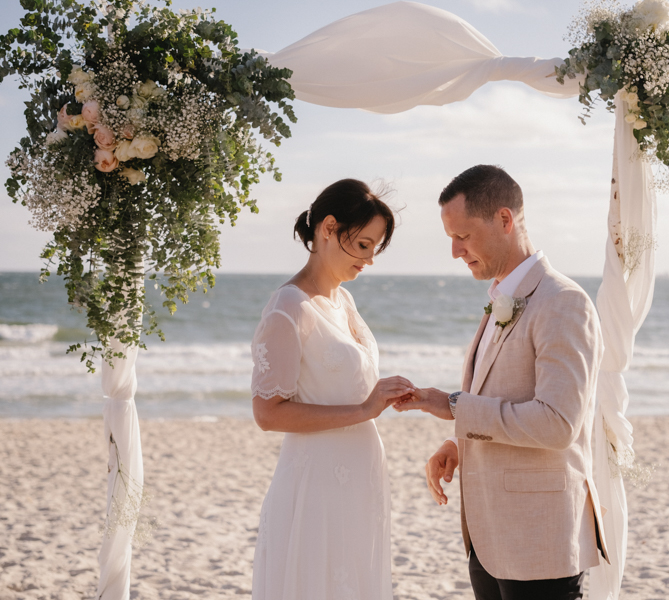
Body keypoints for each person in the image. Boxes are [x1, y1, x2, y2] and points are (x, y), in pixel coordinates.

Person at [395, 165, 609, 600]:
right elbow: (505, 400)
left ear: (505, 221)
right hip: (488, 539)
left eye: (464, 236)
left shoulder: (563, 302)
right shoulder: (501, 300)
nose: (455, 251)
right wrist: (459, 445)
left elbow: (557, 424)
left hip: (539, 540)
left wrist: (454, 407)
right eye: (450, 238)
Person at [249, 179, 414, 600]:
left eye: (374, 248)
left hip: (360, 481)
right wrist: (364, 409)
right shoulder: (288, 309)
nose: (369, 259)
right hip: (316, 489)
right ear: (327, 229)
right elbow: (268, 414)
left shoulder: (343, 301)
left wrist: (386, 396)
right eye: (362, 245)